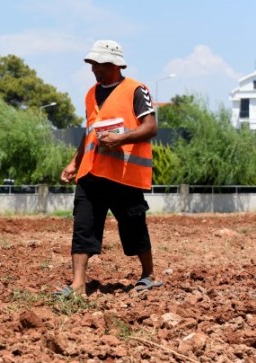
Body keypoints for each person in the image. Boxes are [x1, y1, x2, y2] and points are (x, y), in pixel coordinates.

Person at [54, 40, 162, 297]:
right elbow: (89, 132)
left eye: (100, 64)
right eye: (93, 64)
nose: (94, 69)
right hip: (91, 173)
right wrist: (74, 162)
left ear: (115, 64)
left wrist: (121, 139)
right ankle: (78, 284)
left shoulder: (137, 89)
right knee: (83, 225)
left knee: (133, 224)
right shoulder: (91, 93)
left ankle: (148, 274)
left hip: (124, 175)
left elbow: (150, 127)